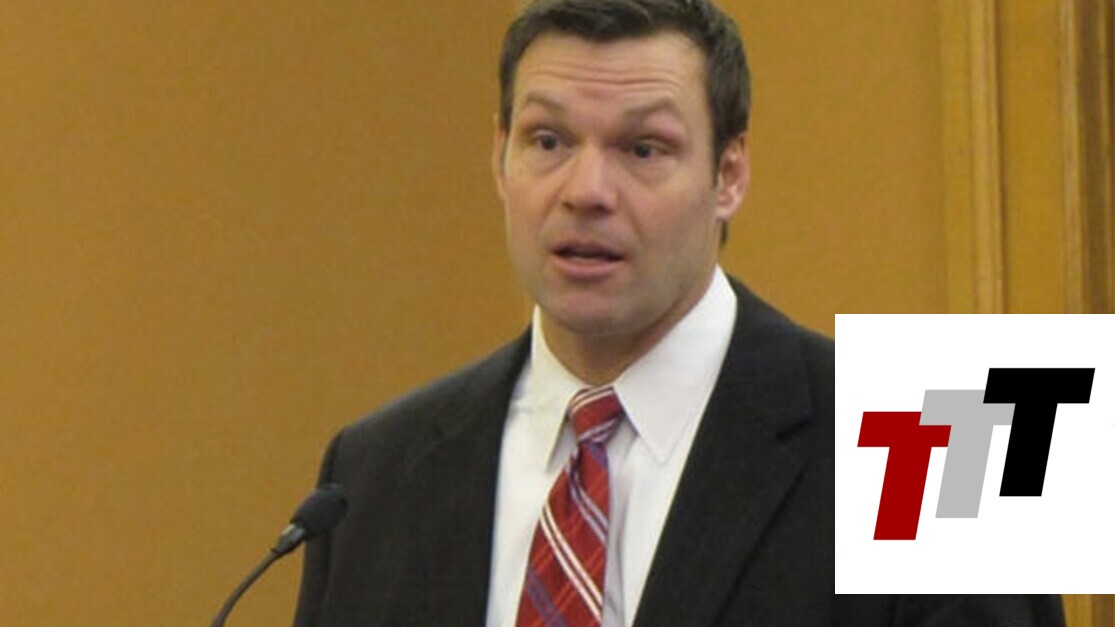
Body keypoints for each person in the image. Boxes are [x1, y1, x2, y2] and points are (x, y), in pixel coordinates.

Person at [293, 1, 1065, 625]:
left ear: (728, 174)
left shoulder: (958, 433)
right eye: (548, 140)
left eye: (643, 149)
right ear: (500, 156)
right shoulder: (370, 474)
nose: (585, 191)